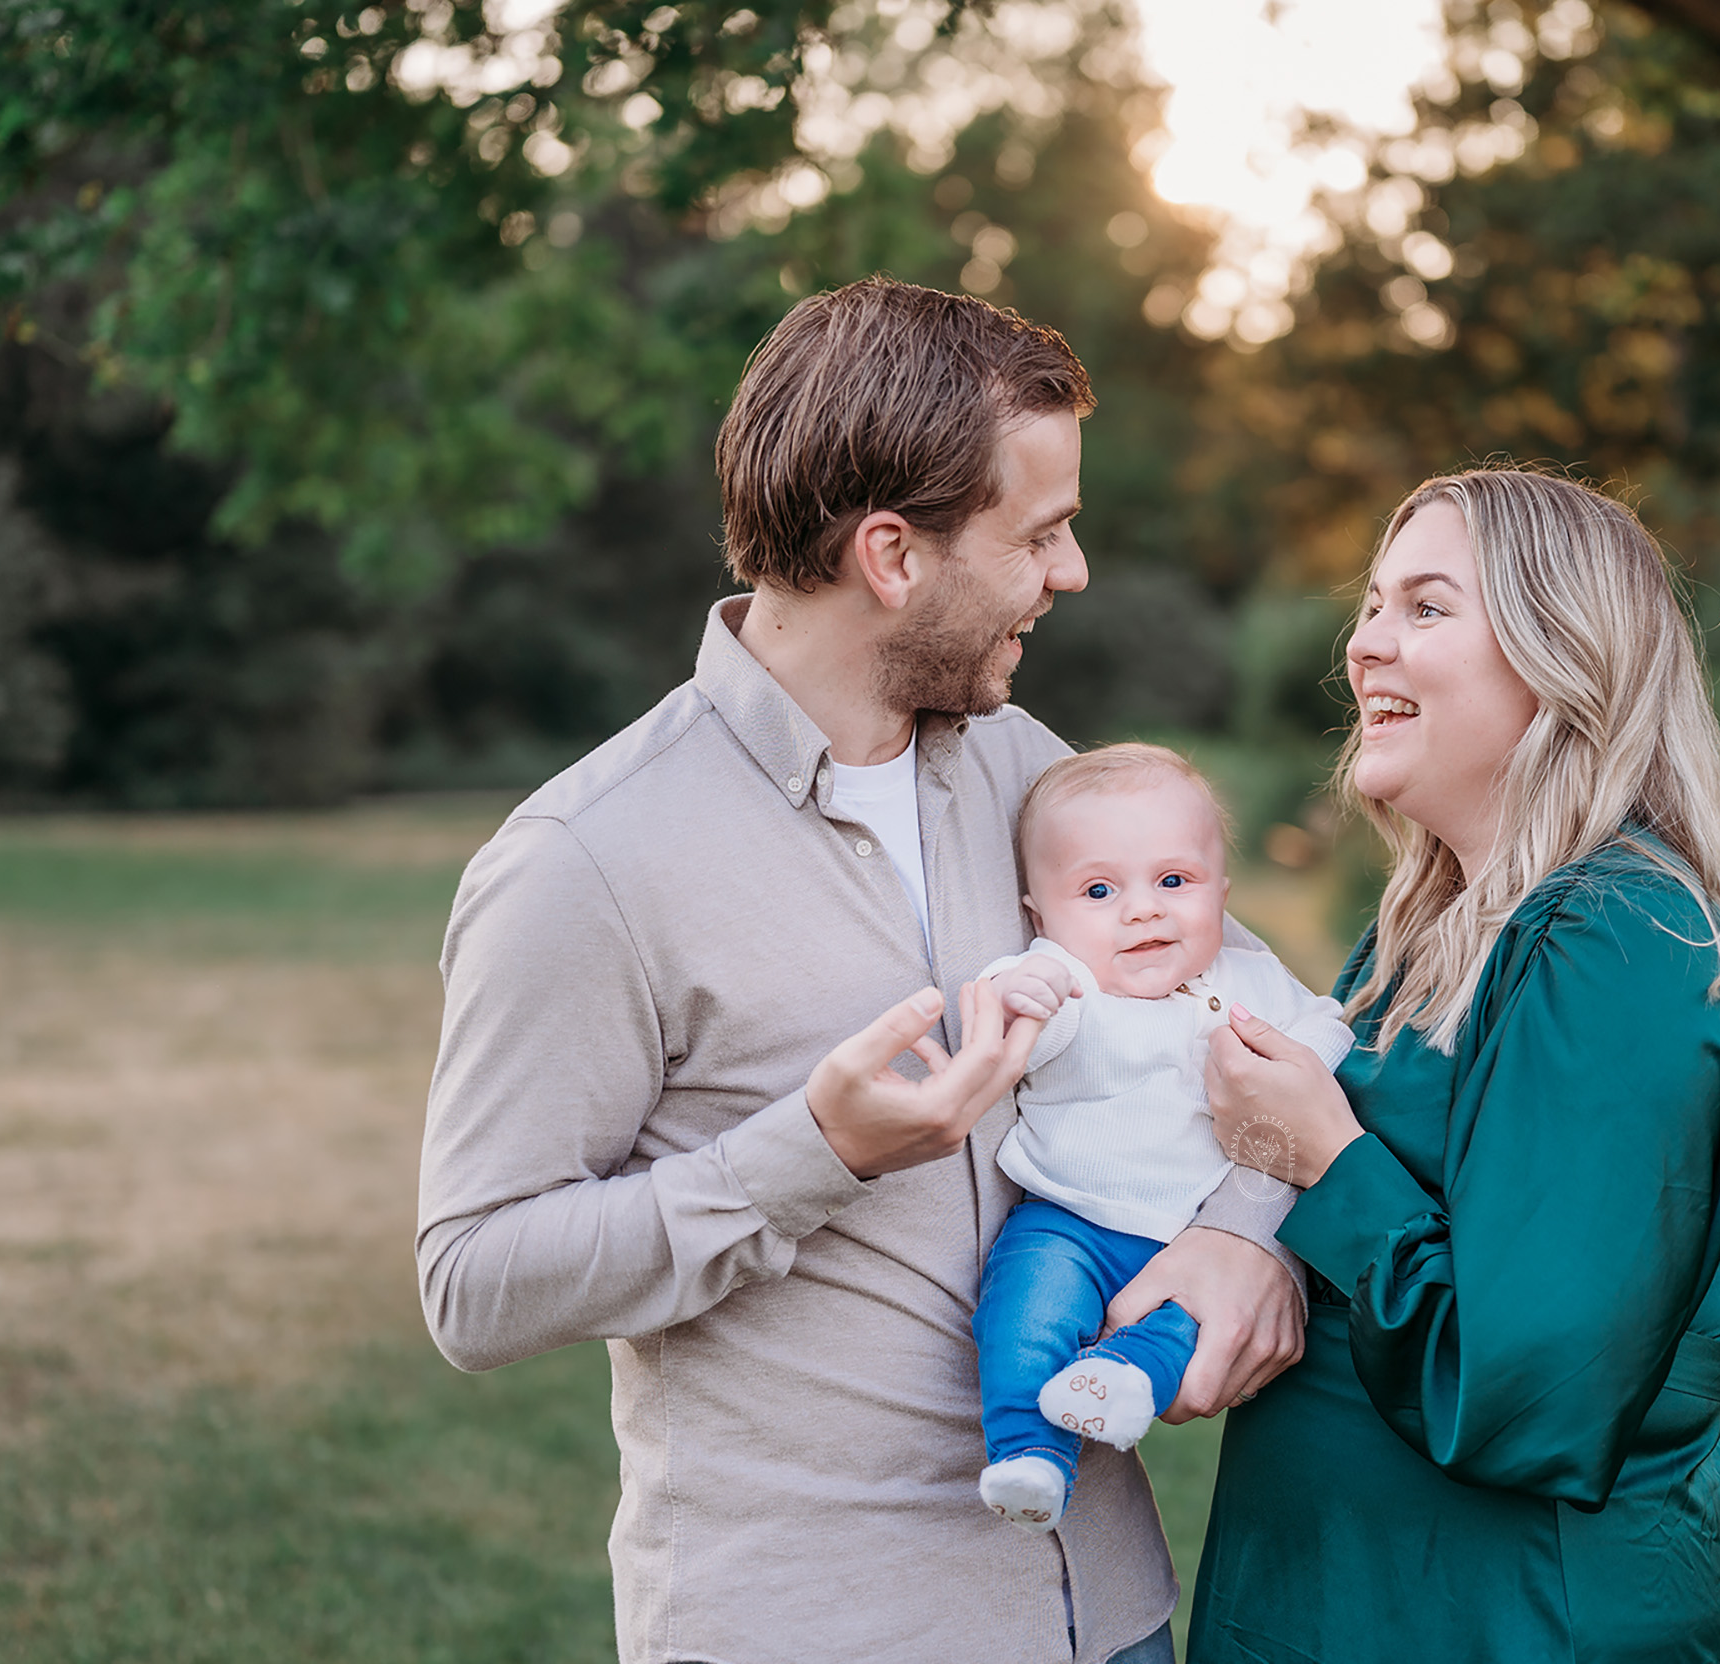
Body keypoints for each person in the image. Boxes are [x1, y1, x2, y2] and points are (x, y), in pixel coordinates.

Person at [415, 278, 1305, 1664]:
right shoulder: (583, 863)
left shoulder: (1026, 769)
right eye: (1040, 533)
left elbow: (1249, 1013)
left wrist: (1243, 1229)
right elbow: (474, 1283)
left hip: (1113, 1609)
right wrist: (812, 1153)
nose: (1071, 571)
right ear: (891, 554)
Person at [1172, 468, 1720, 1663]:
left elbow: (1524, 1396)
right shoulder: (1426, 932)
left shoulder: (1620, 941)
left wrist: (1325, 1155)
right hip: (1348, 1598)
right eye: (1371, 605)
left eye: (1424, 607)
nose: (1365, 642)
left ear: (1563, 657)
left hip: (1509, 1617)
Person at [967, 745, 1354, 1534]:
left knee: (1188, 1324)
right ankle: (1029, 1452)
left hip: (1192, 1237)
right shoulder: (1067, 981)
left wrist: (1303, 1051)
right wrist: (1018, 993)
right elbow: (1016, 1028)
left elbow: (1328, 1029)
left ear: (1222, 893)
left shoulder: (1246, 981)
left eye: (1174, 881)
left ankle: (1122, 1375)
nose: (1143, 910)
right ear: (1042, 917)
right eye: (1099, 891)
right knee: (1026, 1311)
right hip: (1070, 1221)